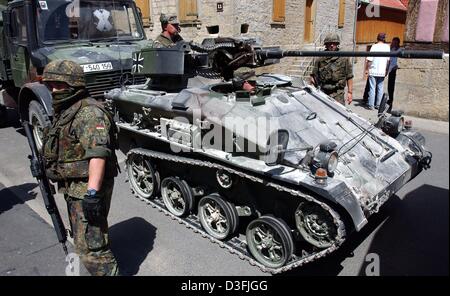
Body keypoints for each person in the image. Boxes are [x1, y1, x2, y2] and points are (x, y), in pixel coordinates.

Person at [42, 60, 120, 276]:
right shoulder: (68, 109)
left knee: (92, 250)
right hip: (74, 187)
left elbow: (98, 154)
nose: (54, 90)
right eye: (51, 85)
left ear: (74, 85)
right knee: (85, 238)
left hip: (87, 188)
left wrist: (92, 194)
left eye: (60, 85)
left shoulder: (88, 113)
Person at [310, 33, 354, 105]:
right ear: (326, 45)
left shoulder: (344, 58)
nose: (332, 45)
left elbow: (349, 77)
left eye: (334, 43)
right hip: (323, 91)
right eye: (329, 43)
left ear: (337, 44)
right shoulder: (320, 58)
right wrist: (313, 90)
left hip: (338, 93)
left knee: (339, 113)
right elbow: (313, 76)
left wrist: (350, 93)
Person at [364, 33, 390, 110]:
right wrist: (386, 70)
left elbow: (369, 59)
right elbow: (388, 61)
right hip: (382, 70)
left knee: (372, 88)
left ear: (377, 38)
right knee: (380, 88)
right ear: (384, 39)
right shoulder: (387, 47)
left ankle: (371, 105)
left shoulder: (374, 46)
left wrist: (366, 69)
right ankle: (378, 105)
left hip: (373, 70)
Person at [387, 37, 400, 113]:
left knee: (393, 86)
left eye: (395, 42)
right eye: (393, 42)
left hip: (395, 70)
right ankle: (390, 99)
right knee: (389, 86)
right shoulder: (391, 50)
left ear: (398, 43)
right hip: (390, 70)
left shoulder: (400, 50)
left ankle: (392, 100)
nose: (393, 43)